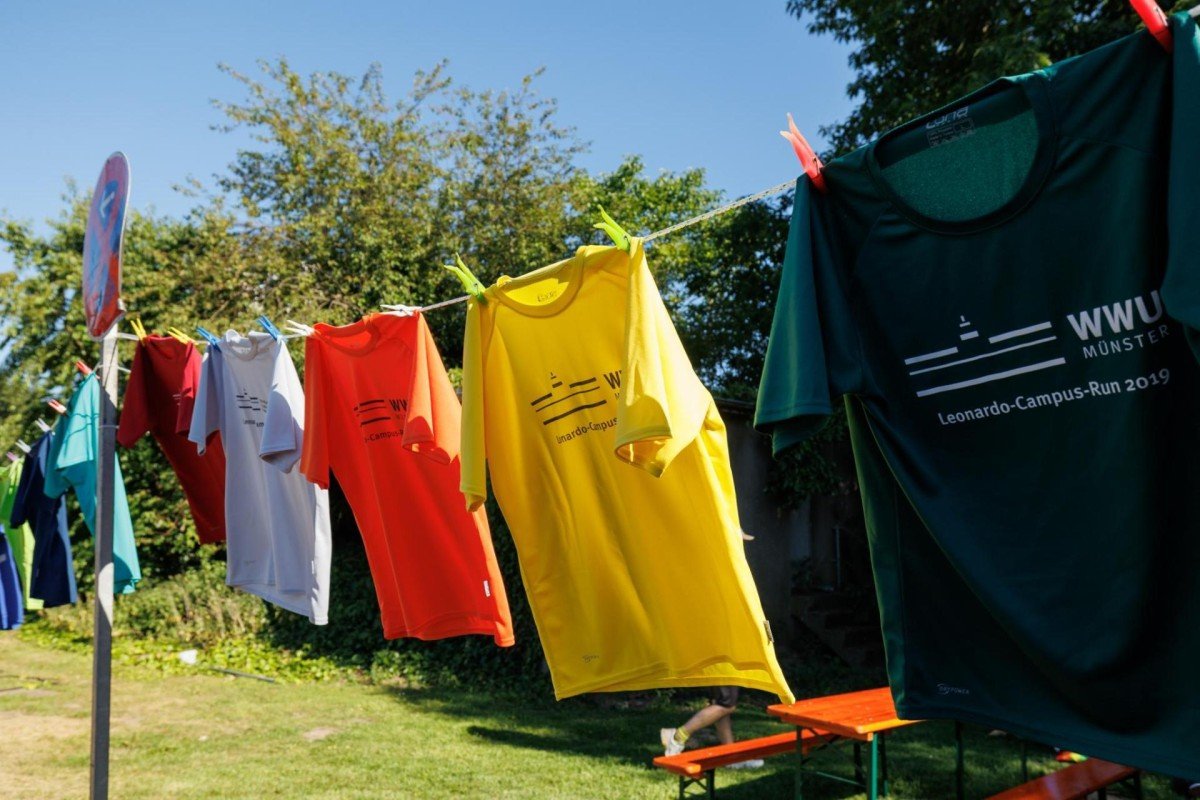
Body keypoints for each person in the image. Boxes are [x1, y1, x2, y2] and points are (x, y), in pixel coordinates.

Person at [660, 686, 763, 768]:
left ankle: (730, 757)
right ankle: (677, 736)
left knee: (722, 704)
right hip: (723, 661)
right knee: (726, 704)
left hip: (720, 661)